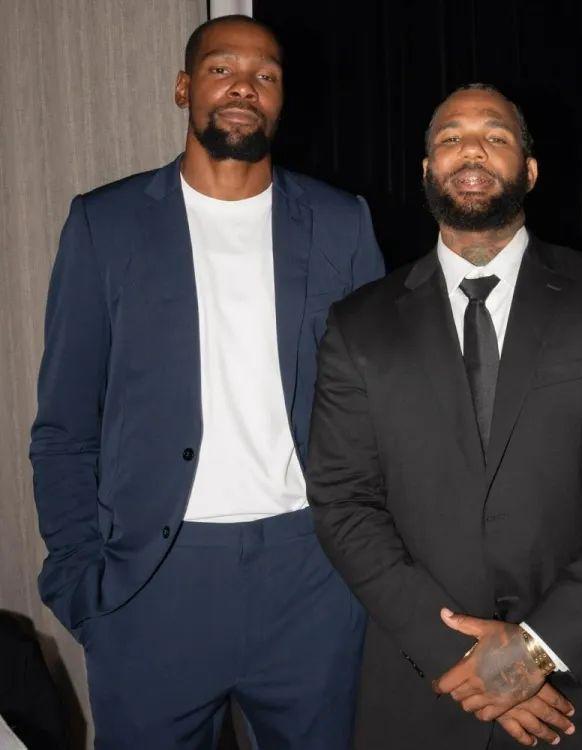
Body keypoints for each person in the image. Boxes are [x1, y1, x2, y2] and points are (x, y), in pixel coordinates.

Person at [30, 15, 383, 750]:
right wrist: (82, 581)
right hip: (154, 583)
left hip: (311, 581)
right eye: (222, 69)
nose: (244, 87)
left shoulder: (341, 223)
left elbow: (380, 412)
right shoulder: (104, 224)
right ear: (184, 88)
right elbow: (64, 425)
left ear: (282, 99)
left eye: (266, 75)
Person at [307, 83, 582, 749]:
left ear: (530, 170)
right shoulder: (358, 325)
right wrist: (466, 660)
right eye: (450, 138)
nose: (472, 150)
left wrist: (534, 650)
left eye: (495, 136)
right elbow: (343, 501)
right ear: (427, 170)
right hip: (431, 687)